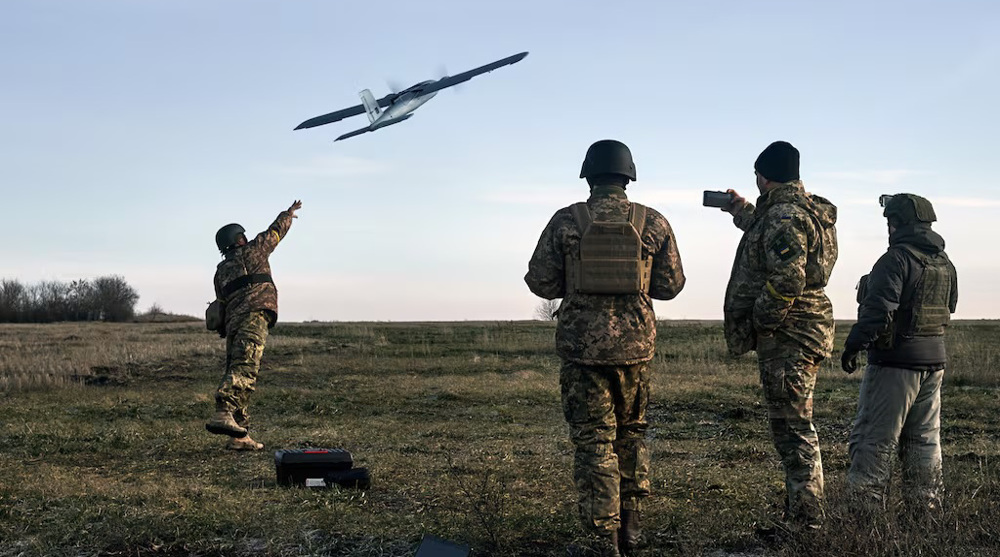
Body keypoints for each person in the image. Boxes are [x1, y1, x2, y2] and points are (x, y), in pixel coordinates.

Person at [525, 140, 685, 556]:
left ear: (589, 175)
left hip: (583, 353)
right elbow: (670, 286)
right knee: (632, 436)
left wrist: (576, 277)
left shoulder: (566, 221)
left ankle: (606, 540)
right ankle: (632, 530)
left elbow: (540, 281)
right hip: (636, 352)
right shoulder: (654, 222)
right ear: (628, 176)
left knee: (595, 442)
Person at [718, 141, 838, 532]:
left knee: (792, 427)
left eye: (756, 176)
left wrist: (761, 320)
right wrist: (738, 209)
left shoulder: (785, 215)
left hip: (790, 335)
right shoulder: (797, 210)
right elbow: (765, 230)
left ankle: (807, 523)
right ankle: (801, 513)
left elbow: (788, 276)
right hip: (802, 330)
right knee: (791, 423)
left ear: (764, 176)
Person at [841, 194, 957, 514]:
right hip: (934, 363)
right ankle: (926, 515)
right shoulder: (944, 263)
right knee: (924, 441)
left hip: (895, 364)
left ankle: (863, 518)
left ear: (895, 224)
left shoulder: (895, 259)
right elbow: (951, 307)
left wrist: (854, 345)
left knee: (873, 440)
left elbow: (878, 311)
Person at [205, 200, 302, 450]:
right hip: (253, 316)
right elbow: (276, 231)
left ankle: (240, 435)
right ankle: (223, 409)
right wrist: (288, 214)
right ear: (239, 240)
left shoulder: (220, 271)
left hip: (233, 323)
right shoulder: (254, 251)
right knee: (246, 369)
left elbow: (221, 302)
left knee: (238, 368)